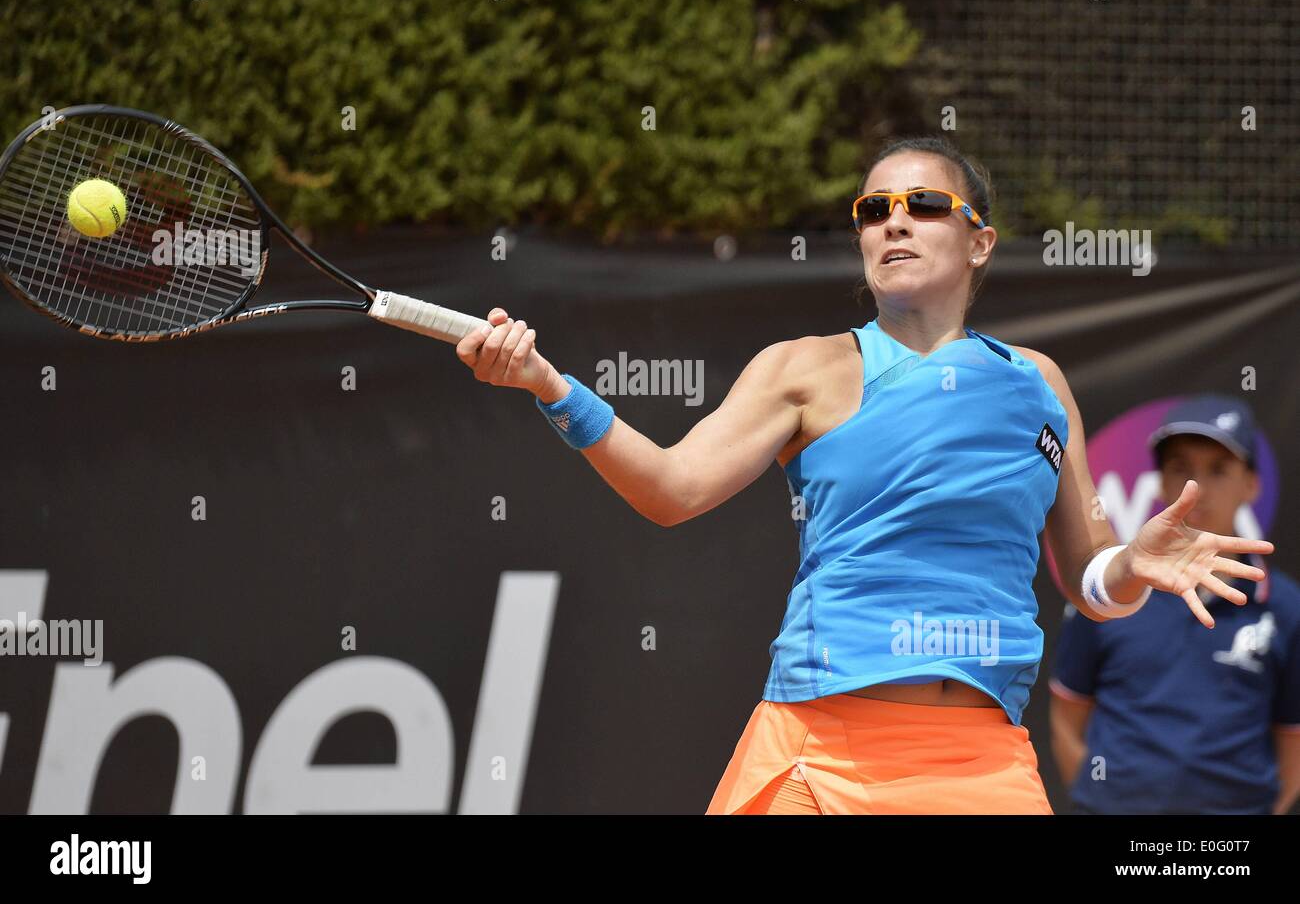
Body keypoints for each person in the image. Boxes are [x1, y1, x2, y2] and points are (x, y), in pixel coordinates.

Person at [453, 136, 1275, 814]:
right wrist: (550, 388)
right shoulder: (804, 370)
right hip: (816, 755)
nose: (895, 223)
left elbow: (1094, 577)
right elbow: (672, 489)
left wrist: (1129, 564)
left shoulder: (1040, 384)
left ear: (979, 240)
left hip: (981, 767)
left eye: (923, 206)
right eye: (873, 210)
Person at [1050, 395, 1300, 814]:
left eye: (1218, 470)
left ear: (1252, 484)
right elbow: (1065, 718)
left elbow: (1293, 741)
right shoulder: (1116, 589)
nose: (1196, 488)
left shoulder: (1285, 607)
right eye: (1180, 468)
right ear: (1161, 483)